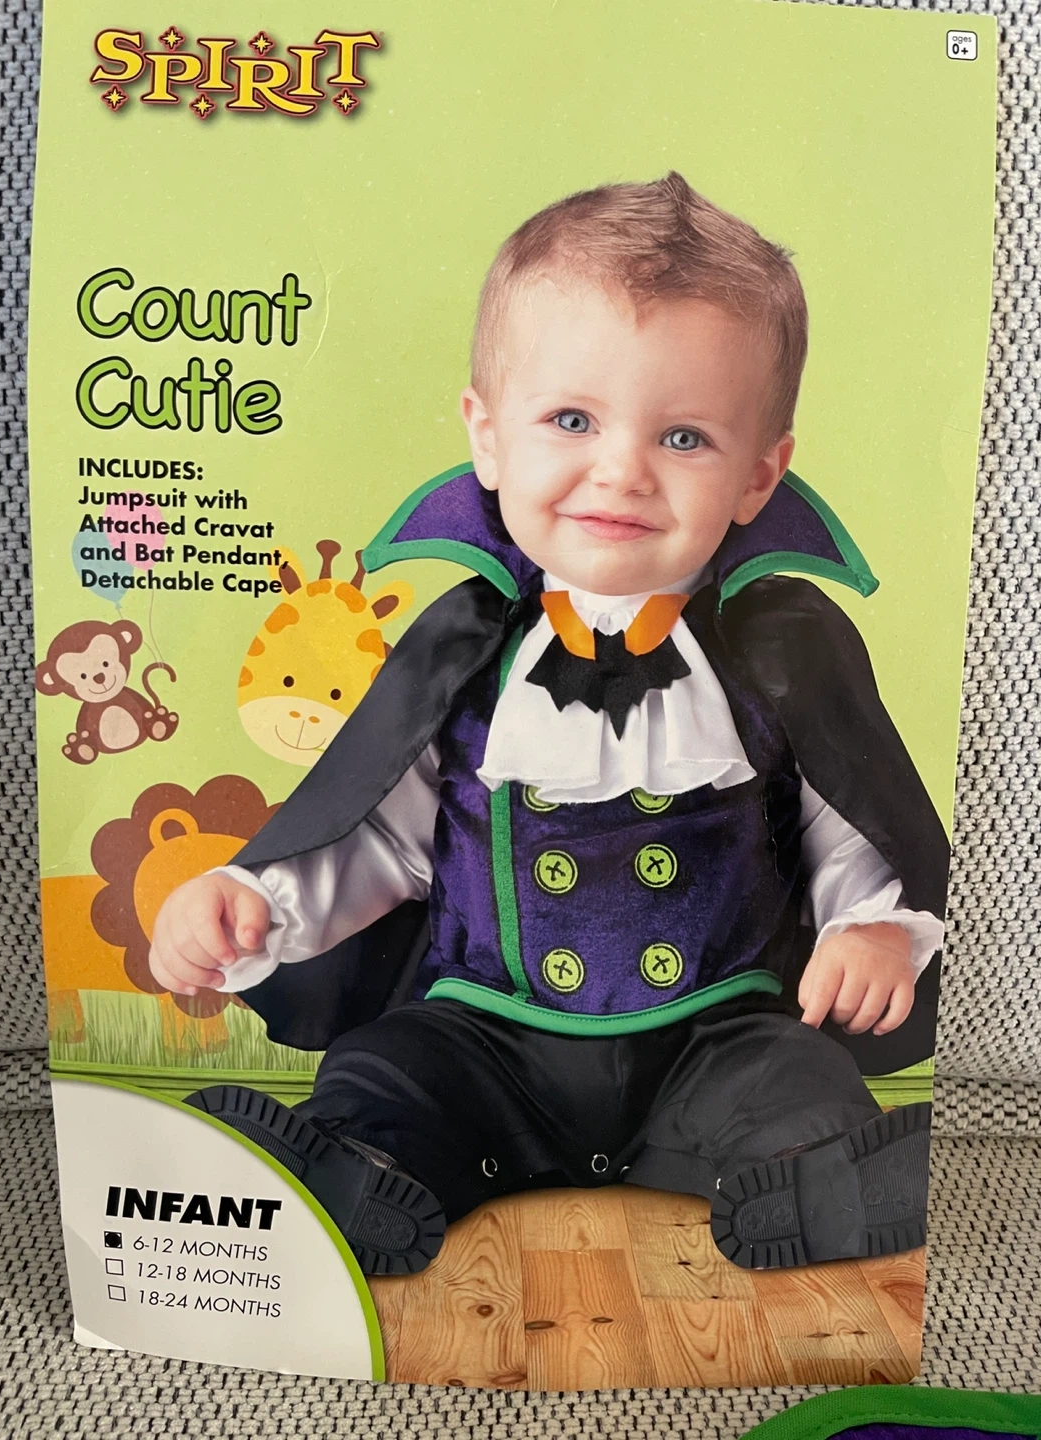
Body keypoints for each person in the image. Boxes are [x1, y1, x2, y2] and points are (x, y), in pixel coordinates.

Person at [149, 173, 948, 1277]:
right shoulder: (463, 651)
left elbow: (848, 828)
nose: (620, 471)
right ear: (487, 436)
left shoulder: (779, 651)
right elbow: (377, 836)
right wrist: (257, 902)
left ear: (760, 474)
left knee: (798, 1077)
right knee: (386, 1070)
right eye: (572, 419)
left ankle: (815, 1177)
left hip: (716, 1031)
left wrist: (874, 929)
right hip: (488, 1031)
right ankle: (350, 1172)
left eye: (684, 437)